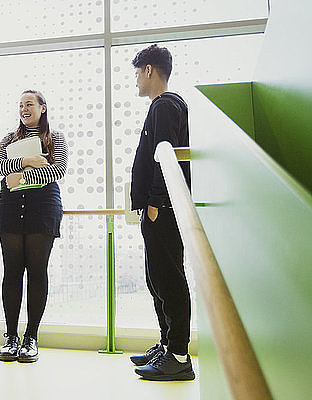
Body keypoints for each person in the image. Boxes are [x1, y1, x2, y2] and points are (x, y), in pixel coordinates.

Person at [129, 44, 195, 381]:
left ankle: (179, 356)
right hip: (158, 209)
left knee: (168, 280)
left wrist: (155, 203)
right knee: (157, 280)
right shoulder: (162, 106)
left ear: (150, 70)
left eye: (137, 72)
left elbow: (165, 158)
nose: (136, 80)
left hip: (163, 209)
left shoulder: (166, 106)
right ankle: (168, 345)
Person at [0, 90, 68, 363]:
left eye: (29, 104)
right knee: (12, 271)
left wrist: (19, 178)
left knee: (37, 270)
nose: (24, 109)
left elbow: (58, 170)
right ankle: (11, 337)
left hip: (43, 206)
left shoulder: (55, 137)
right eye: (20, 104)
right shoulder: (8, 139)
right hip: (10, 207)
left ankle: (30, 337)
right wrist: (27, 160)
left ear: (42, 108)